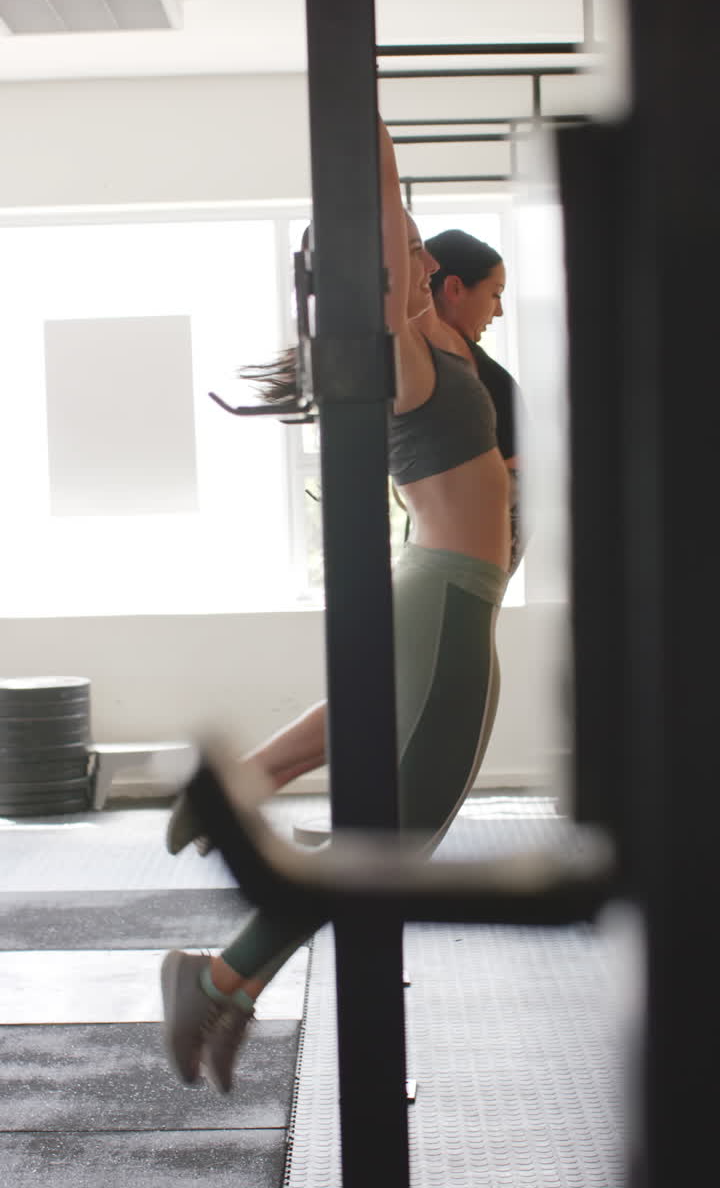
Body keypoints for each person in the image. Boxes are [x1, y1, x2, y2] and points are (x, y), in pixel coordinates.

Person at [160, 120, 512, 1094]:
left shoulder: (445, 346)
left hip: (450, 598)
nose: (420, 250)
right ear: (396, 280)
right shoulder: (402, 348)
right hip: (445, 593)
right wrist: (373, 131)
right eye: (407, 251)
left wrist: (386, 151)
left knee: (386, 802)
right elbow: (384, 233)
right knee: (392, 843)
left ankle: (228, 955)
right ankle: (217, 978)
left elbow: (399, 236)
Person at [412, 228, 529, 572]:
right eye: (495, 294)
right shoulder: (441, 360)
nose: (499, 312)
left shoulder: (451, 358)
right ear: (454, 288)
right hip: (473, 542)